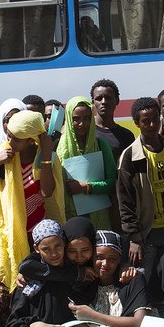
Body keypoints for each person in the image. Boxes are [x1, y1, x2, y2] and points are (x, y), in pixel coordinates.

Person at [0, 110, 65, 327]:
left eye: (15, 137)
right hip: (6, 239)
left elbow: (48, 192)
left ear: (31, 139)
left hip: (37, 243)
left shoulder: (44, 159)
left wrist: (48, 155)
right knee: (2, 299)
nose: (9, 141)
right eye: (8, 135)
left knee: (32, 299)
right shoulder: (4, 156)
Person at [0, 220, 85, 327]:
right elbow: (12, 324)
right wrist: (37, 325)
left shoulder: (74, 275)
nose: (54, 253)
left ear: (64, 244)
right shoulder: (29, 280)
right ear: (37, 249)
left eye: (58, 246)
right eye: (46, 249)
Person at [70, 230, 157, 327]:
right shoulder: (84, 282)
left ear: (119, 259)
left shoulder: (132, 279)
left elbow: (139, 324)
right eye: (99, 257)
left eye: (112, 259)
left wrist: (93, 316)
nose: (105, 264)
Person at [116, 97, 164, 290]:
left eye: (156, 119)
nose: (152, 124)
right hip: (145, 232)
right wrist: (134, 237)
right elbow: (125, 200)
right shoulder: (130, 156)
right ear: (137, 123)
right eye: (146, 121)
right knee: (145, 279)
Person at [56, 96, 118, 228]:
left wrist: (86, 187)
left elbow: (113, 182)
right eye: (76, 119)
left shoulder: (101, 145)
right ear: (68, 119)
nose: (81, 124)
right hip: (70, 219)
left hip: (99, 217)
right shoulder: (58, 150)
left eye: (86, 118)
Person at [91, 79, 135, 154]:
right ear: (93, 102)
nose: (104, 102)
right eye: (99, 98)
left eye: (108, 98)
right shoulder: (86, 131)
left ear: (117, 100)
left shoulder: (126, 135)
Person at [0, 97, 27, 163]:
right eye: (7, 120)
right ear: (1, 121)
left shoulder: (32, 145)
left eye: (17, 119)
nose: (12, 124)